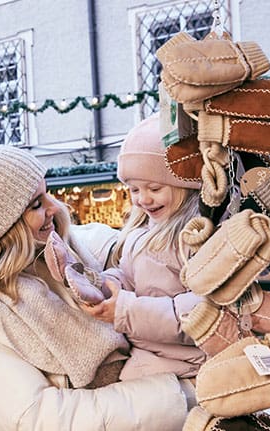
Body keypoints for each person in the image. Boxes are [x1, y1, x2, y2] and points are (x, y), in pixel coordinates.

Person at [0, 142, 189, 430]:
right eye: (36, 204)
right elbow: (36, 420)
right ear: (4, 227)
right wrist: (185, 393)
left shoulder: (85, 249)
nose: (54, 207)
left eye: (46, 193)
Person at [77, 115, 205, 401]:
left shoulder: (196, 237)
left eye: (154, 188)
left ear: (186, 185)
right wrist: (108, 283)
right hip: (148, 353)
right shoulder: (139, 233)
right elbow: (131, 277)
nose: (143, 199)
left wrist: (124, 311)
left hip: (184, 363)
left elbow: (201, 312)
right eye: (134, 189)